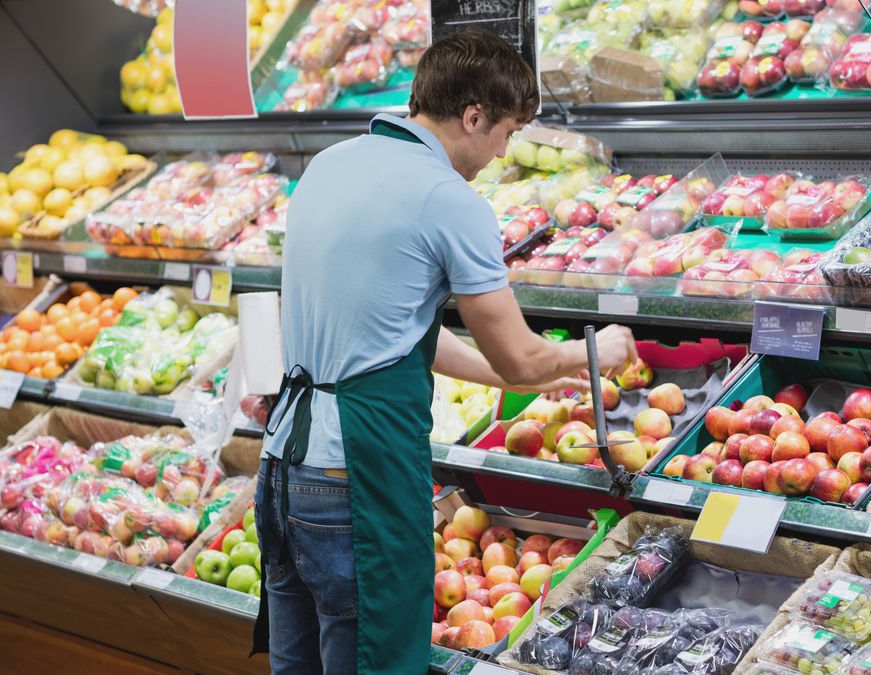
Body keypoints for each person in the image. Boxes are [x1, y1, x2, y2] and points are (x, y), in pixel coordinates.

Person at [253, 28, 638, 674]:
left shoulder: (330, 165)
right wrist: (592, 353)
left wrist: (522, 377)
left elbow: (389, 335)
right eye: (508, 133)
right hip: (357, 480)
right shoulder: (449, 201)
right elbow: (520, 358)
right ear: (472, 116)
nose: (502, 152)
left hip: (286, 467)